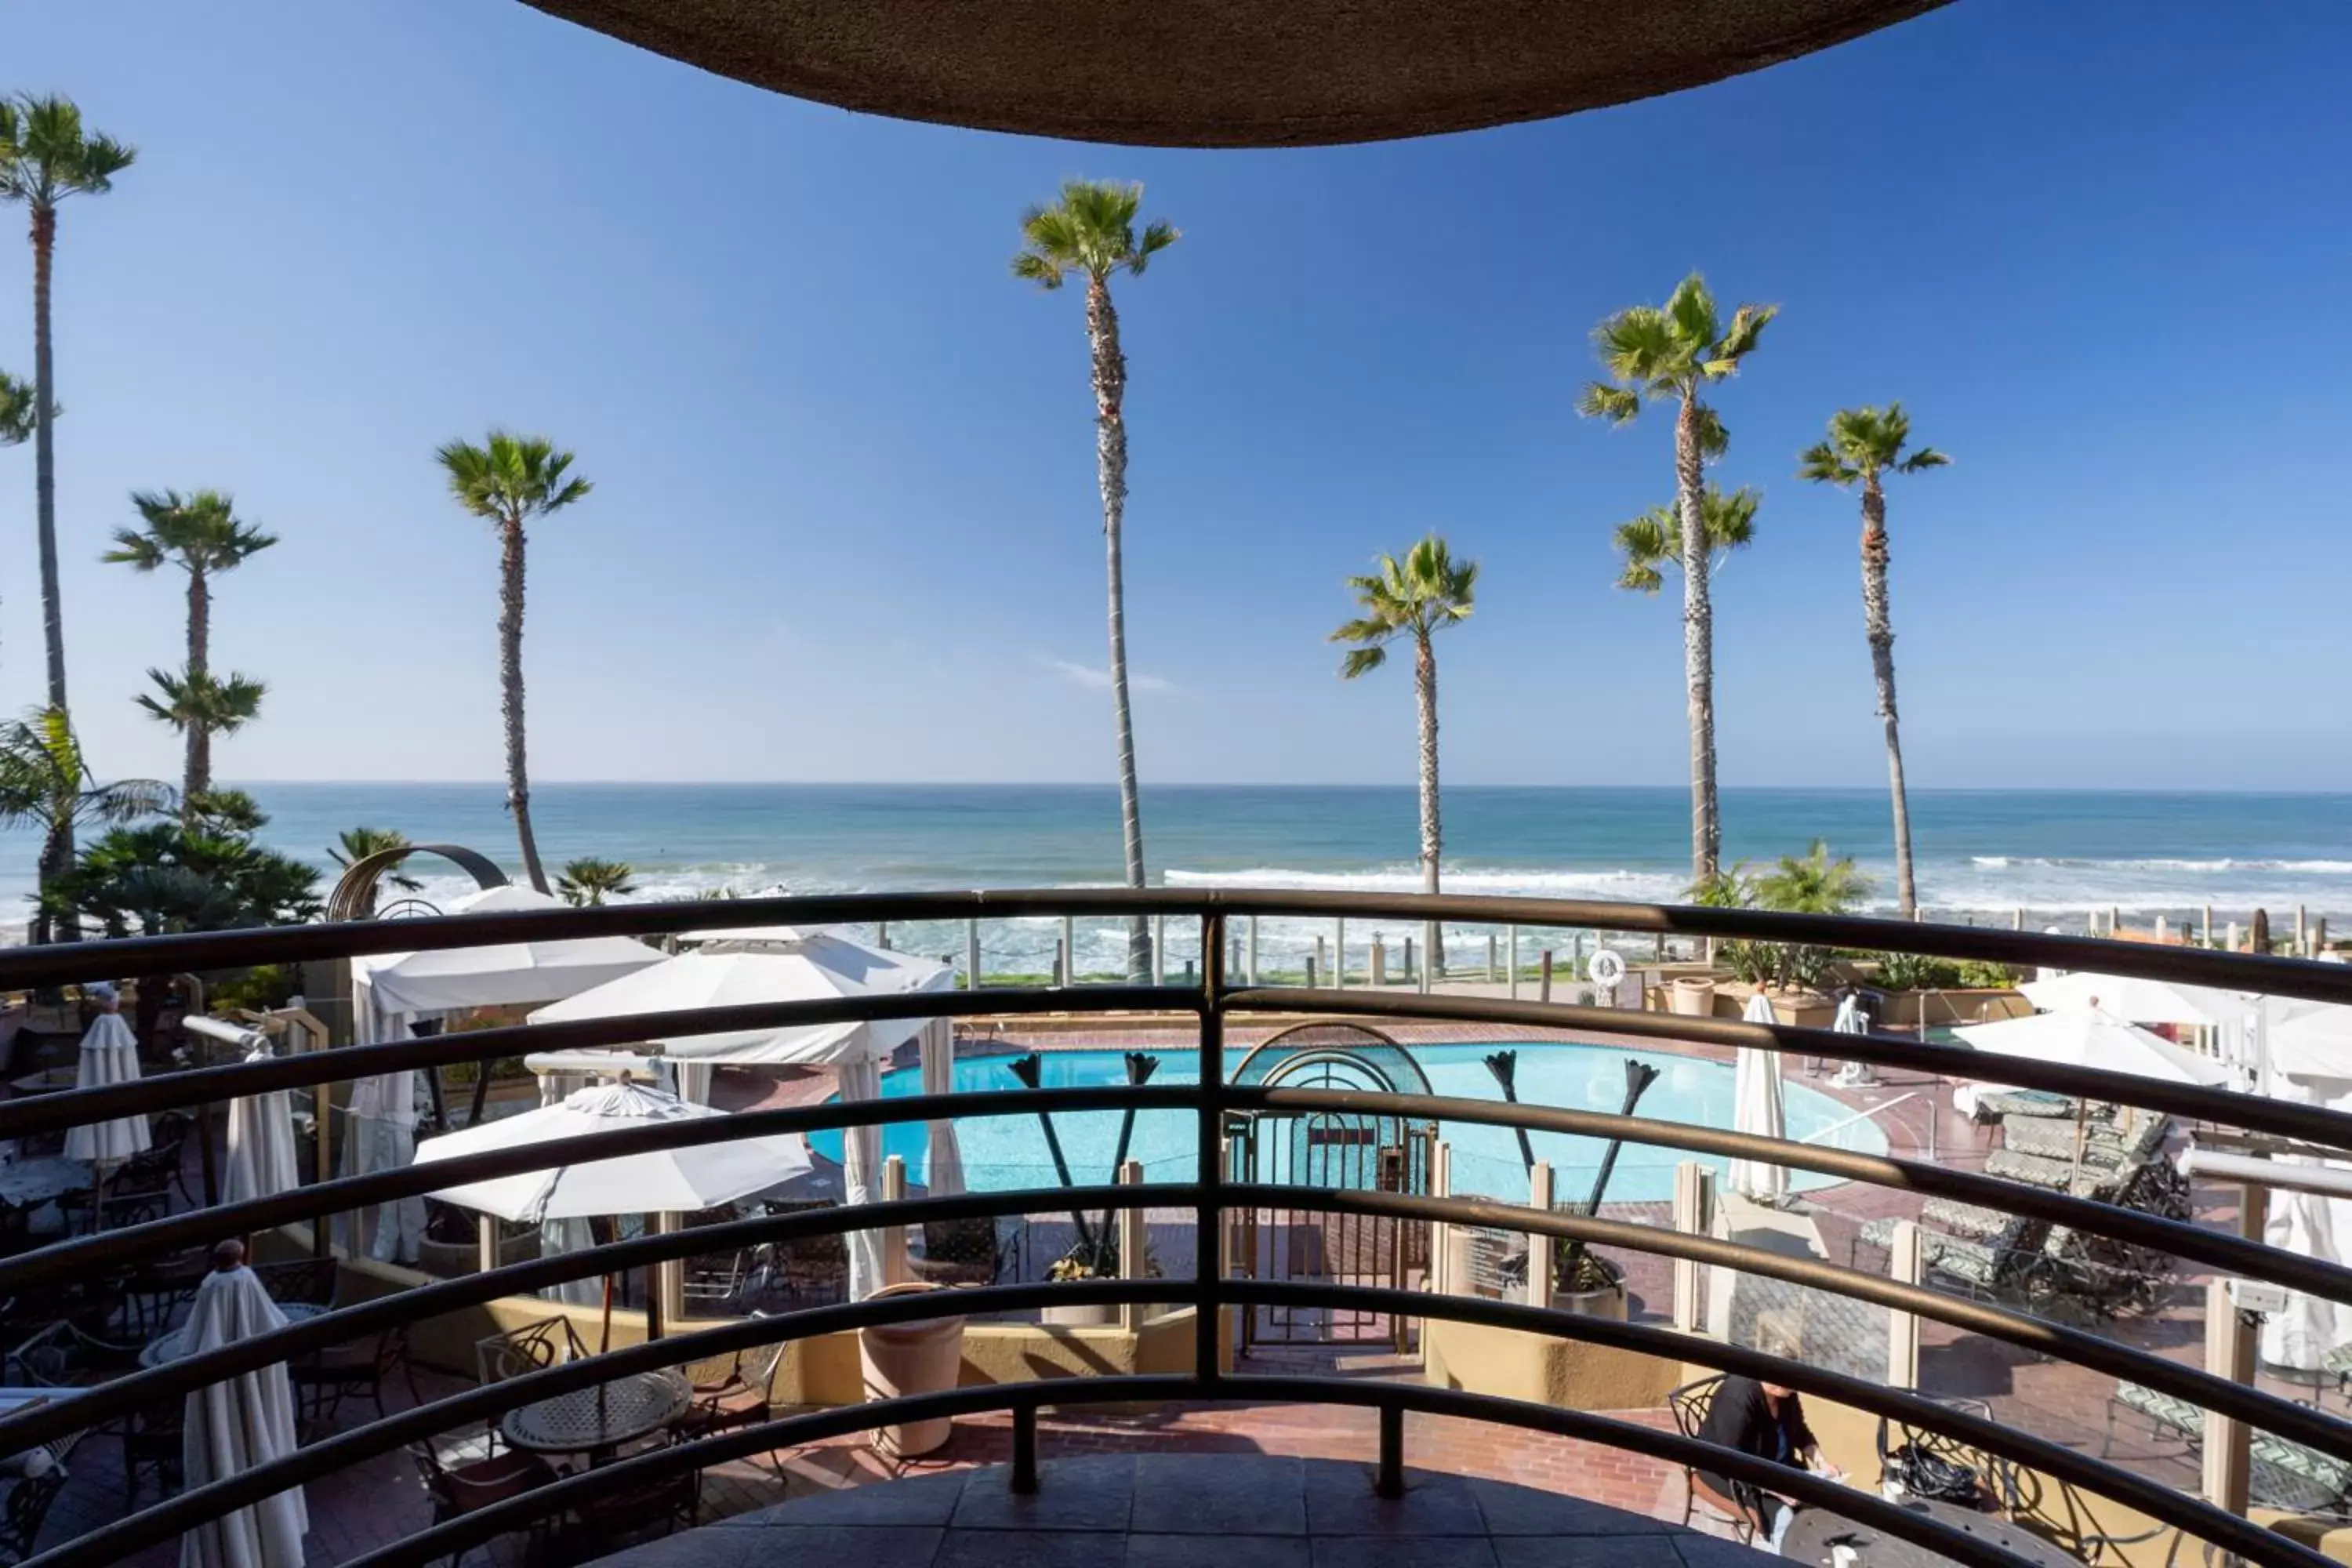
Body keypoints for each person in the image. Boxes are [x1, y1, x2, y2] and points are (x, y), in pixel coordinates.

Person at [1693, 1364, 1844, 1554]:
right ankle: (1779, 1555)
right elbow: (1733, 1460)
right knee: (1783, 1518)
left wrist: (1822, 1463)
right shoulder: (1737, 1397)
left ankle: (1817, 1554)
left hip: (1777, 1469)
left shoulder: (1786, 1393)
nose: (1795, 1388)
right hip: (1730, 1475)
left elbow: (1800, 1432)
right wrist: (1778, 1491)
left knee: (1826, 1497)